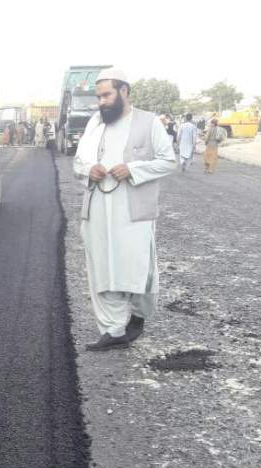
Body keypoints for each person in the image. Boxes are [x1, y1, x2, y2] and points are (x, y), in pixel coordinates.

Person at [73, 67, 176, 351]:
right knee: (102, 269)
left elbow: (169, 161)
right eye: (99, 96)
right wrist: (88, 170)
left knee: (136, 267)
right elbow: (77, 163)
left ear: (124, 91)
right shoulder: (95, 123)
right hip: (98, 209)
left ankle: (138, 316)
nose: (101, 102)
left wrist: (133, 169)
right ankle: (113, 330)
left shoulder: (148, 122)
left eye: (106, 95)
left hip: (133, 213)